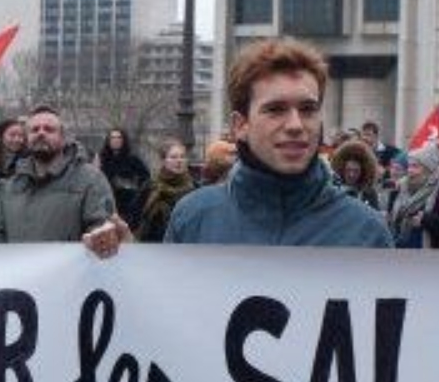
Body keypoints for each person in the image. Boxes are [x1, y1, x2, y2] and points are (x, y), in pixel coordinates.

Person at [166, 39, 391, 247]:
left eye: (307, 109)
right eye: (275, 109)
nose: (295, 125)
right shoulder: (193, 218)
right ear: (240, 126)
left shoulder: (367, 231)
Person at [0, 107, 123, 250]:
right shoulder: (12, 185)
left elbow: (102, 230)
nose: (41, 133)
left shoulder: (91, 179)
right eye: (34, 130)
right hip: (18, 265)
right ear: (27, 139)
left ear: (63, 138)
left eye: (49, 129)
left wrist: (97, 238)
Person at [134, 140, 197, 243]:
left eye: (182, 157)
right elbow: (135, 216)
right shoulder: (150, 187)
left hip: (185, 244)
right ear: (163, 160)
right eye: (173, 157)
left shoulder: (194, 189)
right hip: (152, 245)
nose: (179, 161)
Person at [96, 127, 152, 227]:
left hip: (128, 206)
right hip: (107, 205)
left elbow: (146, 179)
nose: (116, 140)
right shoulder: (102, 160)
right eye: (113, 138)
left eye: (119, 137)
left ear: (123, 140)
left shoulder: (133, 159)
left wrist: (132, 190)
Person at [329, 139, 382, 211]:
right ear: (342, 169)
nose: (351, 175)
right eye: (348, 170)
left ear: (363, 172)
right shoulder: (333, 189)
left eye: (356, 171)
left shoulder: (369, 193)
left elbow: (375, 214)